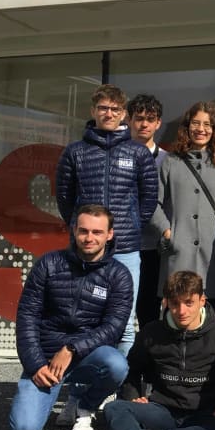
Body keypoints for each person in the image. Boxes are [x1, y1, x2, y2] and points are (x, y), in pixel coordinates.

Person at [103, 271, 215, 430]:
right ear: (165, 303)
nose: (182, 311)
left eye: (189, 303)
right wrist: (134, 396)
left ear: (202, 300)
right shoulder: (151, 332)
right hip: (163, 410)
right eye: (175, 304)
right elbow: (132, 369)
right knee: (115, 408)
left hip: (207, 412)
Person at [9, 204, 130, 430]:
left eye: (97, 232)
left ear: (109, 234)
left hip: (88, 355)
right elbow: (27, 317)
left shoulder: (119, 275)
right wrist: (35, 365)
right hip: (46, 359)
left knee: (117, 365)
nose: (89, 238)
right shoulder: (48, 264)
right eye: (83, 231)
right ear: (74, 231)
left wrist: (72, 348)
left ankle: (85, 406)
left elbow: (114, 326)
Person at [56, 84, 157, 354]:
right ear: (93, 111)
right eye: (103, 108)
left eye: (115, 109)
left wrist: (131, 225)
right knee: (83, 318)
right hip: (85, 251)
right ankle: (86, 377)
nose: (108, 113)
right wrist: (81, 229)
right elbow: (64, 197)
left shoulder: (138, 153)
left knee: (124, 323)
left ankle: (119, 378)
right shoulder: (75, 152)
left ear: (123, 114)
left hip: (126, 249)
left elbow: (149, 199)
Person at [150, 101, 215, 316]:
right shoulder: (171, 161)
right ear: (187, 126)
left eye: (207, 124)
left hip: (212, 252)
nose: (201, 129)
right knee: (175, 314)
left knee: (208, 317)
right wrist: (167, 231)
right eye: (196, 123)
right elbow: (153, 202)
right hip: (178, 251)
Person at [127, 94, 169, 329]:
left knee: (149, 311)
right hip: (121, 244)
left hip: (154, 247)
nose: (144, 124)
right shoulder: (117, 154)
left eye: (150, 119)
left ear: (158, 123)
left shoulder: (167, 160)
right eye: (139, 118)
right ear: (129, 120)